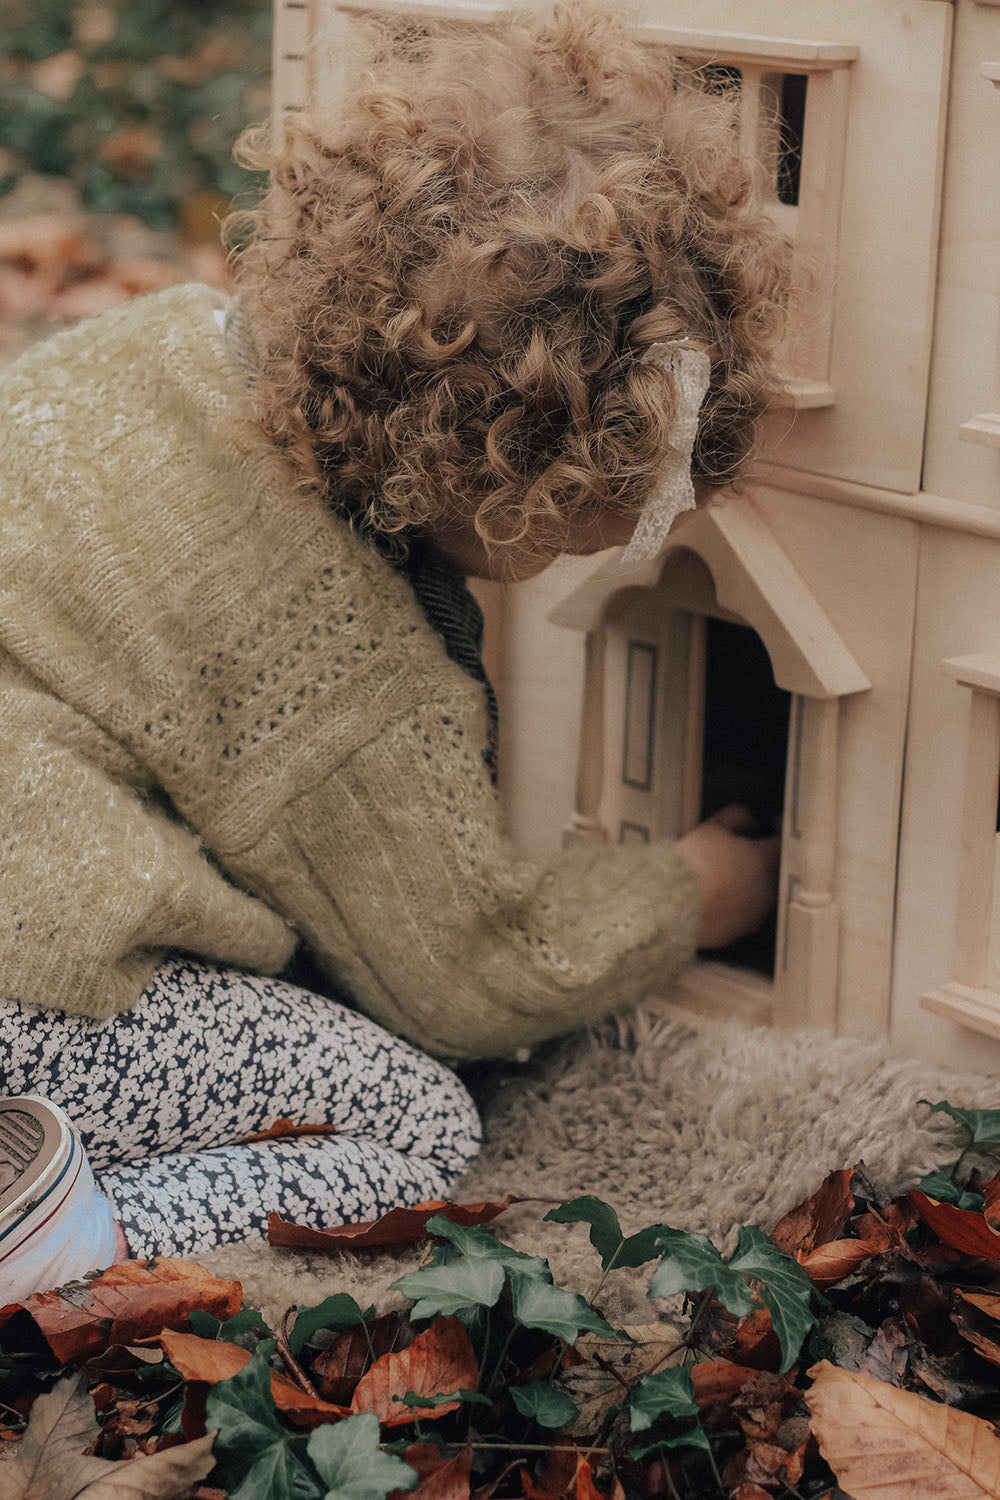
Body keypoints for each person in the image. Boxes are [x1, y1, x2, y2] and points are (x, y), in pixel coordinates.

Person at [0, 2, 787, 1306]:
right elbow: (461, 974)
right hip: (30, 991)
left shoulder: (149, 349)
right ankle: (70, 1226)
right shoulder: (345, 670)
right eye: (606, 519)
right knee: (415, 1126)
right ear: (504, 483)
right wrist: (694, 893)